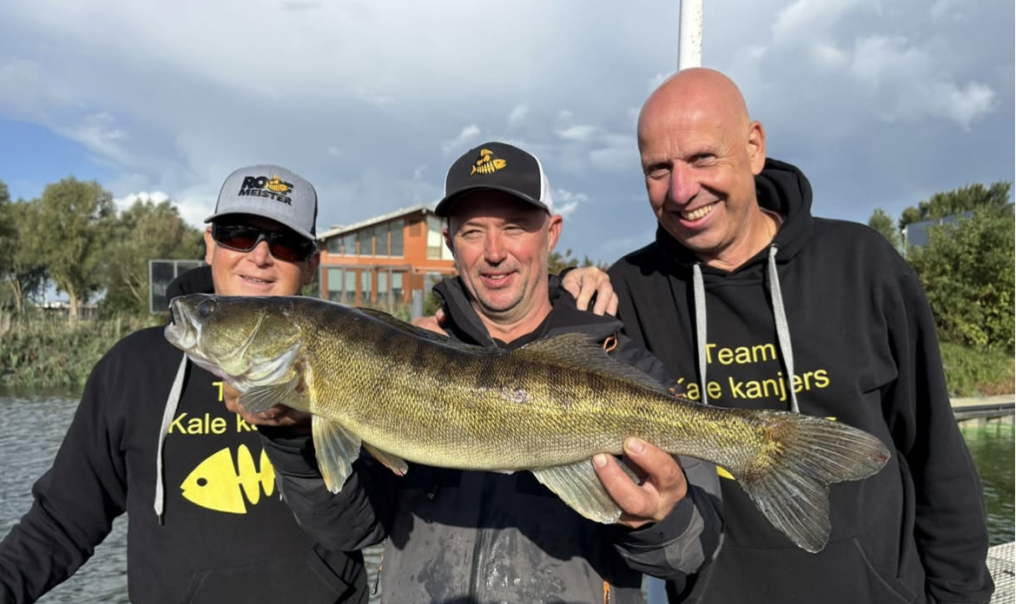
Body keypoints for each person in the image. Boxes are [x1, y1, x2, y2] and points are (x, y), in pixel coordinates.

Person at [234, 142, 723, 604]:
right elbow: (352, 530)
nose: (493, 251)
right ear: (449, 242)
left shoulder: (621, 365)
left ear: (551, 233)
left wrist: (660, 519)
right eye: (472, 231)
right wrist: (294, 442)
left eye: (514, 227)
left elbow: (688, 553)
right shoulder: (403, 355)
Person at [576, 68, 993, 603]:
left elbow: (936, 456)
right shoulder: (628, 292)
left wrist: (961, 596)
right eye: (658, 169)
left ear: (753, 147)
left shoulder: (863, 265)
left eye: (703, 157)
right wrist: (560, 293)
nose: (682, 190)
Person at [0, 165, 370, 603]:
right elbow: (62, 522)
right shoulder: (132, 368)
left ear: (311, 264)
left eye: (285, 243)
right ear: (210, 244)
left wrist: (292, 435)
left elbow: (359, 527)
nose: (259, 255)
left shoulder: (355, 361)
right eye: (239, 233)